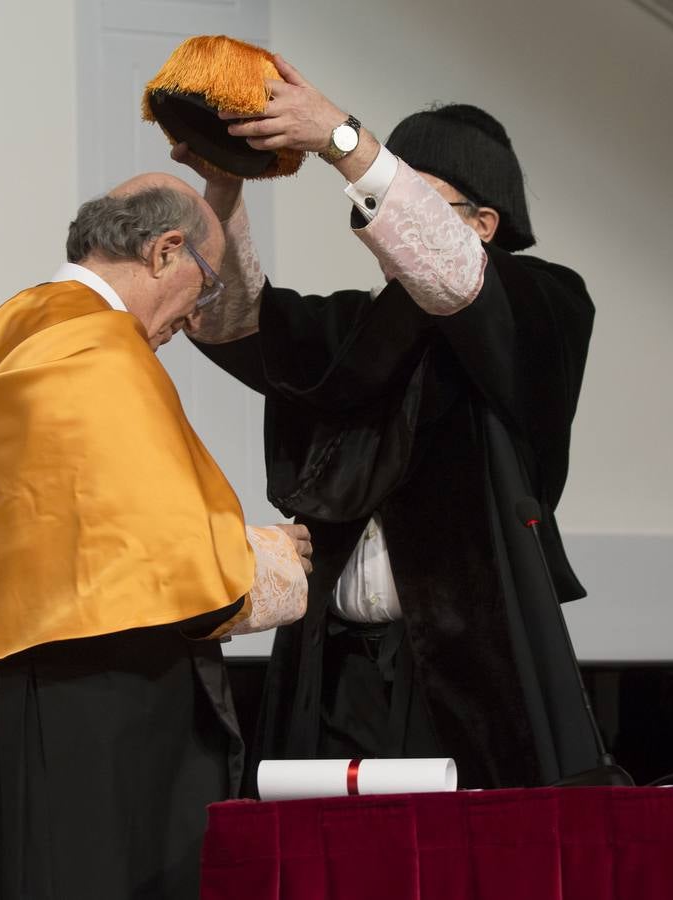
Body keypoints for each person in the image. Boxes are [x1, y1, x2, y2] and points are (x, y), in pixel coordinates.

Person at [182, 56, 608, 790]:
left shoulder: (543, 304)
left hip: (473, 667)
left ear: (482, 223)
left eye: (413, 198)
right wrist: (223, 189)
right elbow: (232, 324)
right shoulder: (360, 325)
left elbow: (453, 276)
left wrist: (340, 140)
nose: (378, 223)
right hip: (335, 666)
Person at [0, 173, 312, 899]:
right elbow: (175, 558)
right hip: (91, 703)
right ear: (165, 251)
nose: (195, 315)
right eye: (207, 284)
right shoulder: (102, 347)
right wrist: (270, 556)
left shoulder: (9, 326)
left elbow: (71, 524)